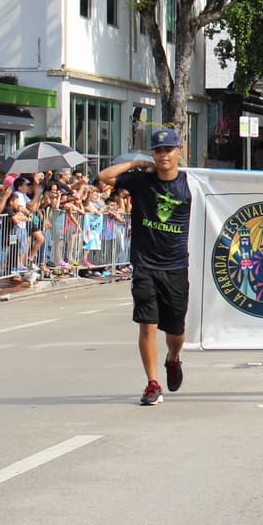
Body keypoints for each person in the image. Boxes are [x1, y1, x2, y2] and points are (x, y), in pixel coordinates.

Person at [99, 127, 193, 406]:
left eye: (168, 150)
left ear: (179, 152)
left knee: (175, 331)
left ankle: (173, 358)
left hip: (176, 264)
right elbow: (104, 177)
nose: (163, 155)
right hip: (145, 263)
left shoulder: (191, 183)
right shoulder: (142, 181)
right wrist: (139, 163)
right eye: (158, 150)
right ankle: (153, 383)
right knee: (147, 325)